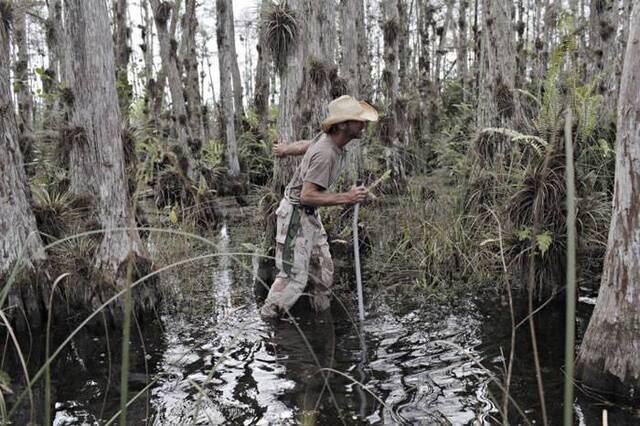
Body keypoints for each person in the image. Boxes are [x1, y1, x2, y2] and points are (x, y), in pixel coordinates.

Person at [260, 95, 379, 318]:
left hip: (311, 217)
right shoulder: (326, 153)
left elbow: (307, 145)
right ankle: (268, 325)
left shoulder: (330, 141)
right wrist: (348, 197)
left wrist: (286, 150)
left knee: (323, 275)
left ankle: (320, 324)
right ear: (343, 125)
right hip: (296, 216)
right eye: (358, 120)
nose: (363, 125)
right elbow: (307, 195)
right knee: (293, 278)